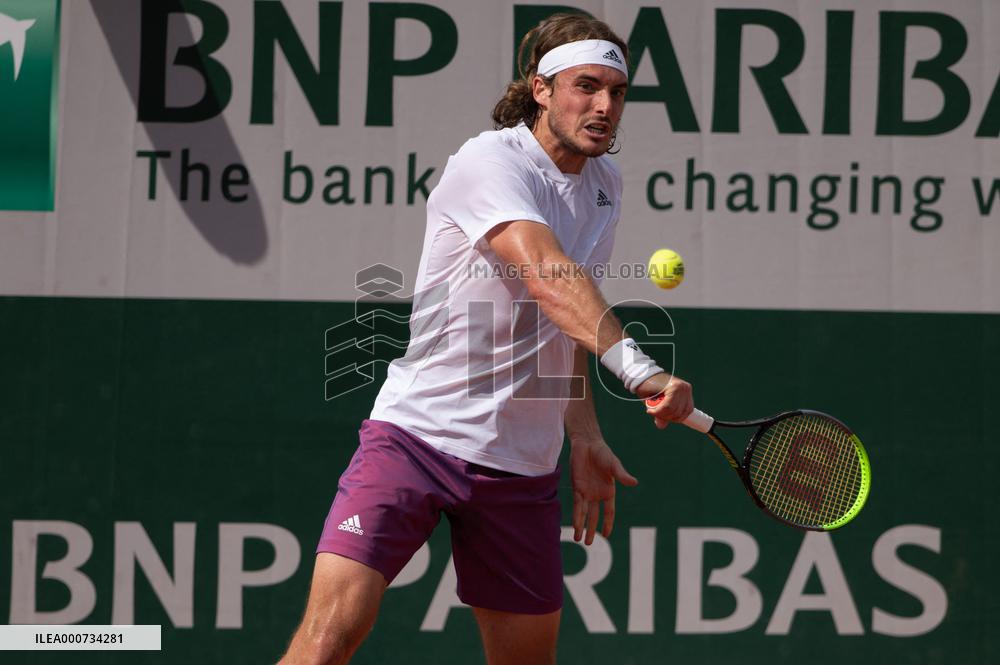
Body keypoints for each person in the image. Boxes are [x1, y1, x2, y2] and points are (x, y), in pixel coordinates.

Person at [280, 13, 694, 665]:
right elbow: (549, 276)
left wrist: (583, 434)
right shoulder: (488, 162)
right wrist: (642, 371)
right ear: (541, 88)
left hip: (521, 467)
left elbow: (570, 318)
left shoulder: (605, 188)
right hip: (416, 438)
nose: (604, 105)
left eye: (617, 92)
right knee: (329, 641)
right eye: (586, 85)